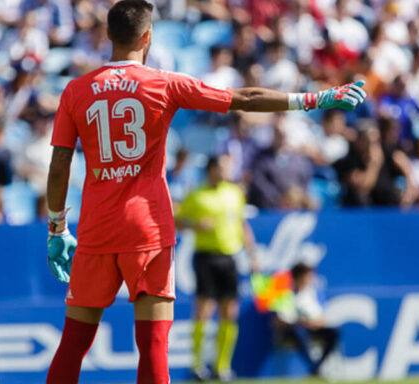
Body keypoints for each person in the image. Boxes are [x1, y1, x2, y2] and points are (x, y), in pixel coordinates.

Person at [44, 1, 366, 383]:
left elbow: (60, 164)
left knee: (74, 343)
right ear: (147, 37)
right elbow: (243, 99)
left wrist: (57, 227)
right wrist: (315, 99)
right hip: (148, 231)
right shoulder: (164, 84)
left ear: (109, 36)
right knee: (152, 347)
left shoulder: (77, 90)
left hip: (97, 230)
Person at [176, 155, 257, 382]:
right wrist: (195, 225)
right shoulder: (196, 195)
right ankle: (197, 365)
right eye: (223, 166)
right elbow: (177, 222)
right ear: (212, 169)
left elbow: (242, 224)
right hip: (206, 257)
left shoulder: (234, 194)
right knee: (203, 311)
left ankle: (222, 367)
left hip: (229, 258)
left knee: (229, 312)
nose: (227, 170)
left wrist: (253, 254)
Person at [274, 263, 340, 377]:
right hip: (292, 331)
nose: (310, 279)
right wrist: (300, 323)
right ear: (298, 277)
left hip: (311, 329)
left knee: (333, 332)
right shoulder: (283, 293)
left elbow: (322, 318)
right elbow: (279, 321)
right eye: (307, 276)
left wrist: (313, 323)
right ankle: (315, 368)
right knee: (299, 333)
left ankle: (316, 368)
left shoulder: (312, 292)